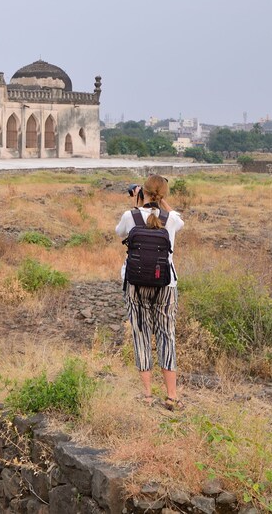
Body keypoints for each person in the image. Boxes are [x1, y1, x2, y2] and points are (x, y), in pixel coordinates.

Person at [115, 175, 185, 411]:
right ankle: (172, 396)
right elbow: (178, 220)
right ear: (163, 195)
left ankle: (146, 395)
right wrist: (163, 202)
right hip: (166, 284)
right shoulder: (172, 218)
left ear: (142, 192)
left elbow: (120, 233)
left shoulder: (130, 216)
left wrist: (136, 204)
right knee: (167, 335)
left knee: (141, 334)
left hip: (135, 283)